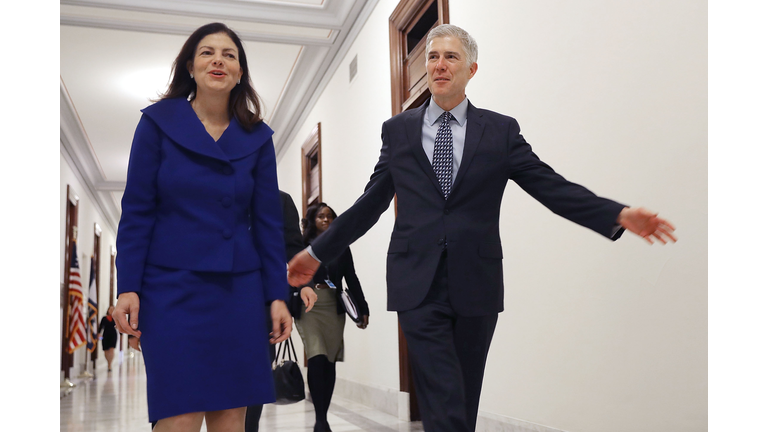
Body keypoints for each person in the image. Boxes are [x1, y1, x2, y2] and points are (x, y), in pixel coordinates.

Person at [287, 24, 677, 432]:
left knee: (464, 396)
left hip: (477, 280)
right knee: (442, 397)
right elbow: (370, 204)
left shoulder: (500, 130)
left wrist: (616, 213)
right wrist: (317, 253)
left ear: (472, 69)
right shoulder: (398, 130)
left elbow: (549, 185)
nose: (439, 65)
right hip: (415, 280)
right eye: (433, 56)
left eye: (451, 57)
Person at [112, 22, 292, 432]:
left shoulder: (257, 138)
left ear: (240, 72)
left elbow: (267, 225)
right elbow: (137, 211)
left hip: (239, 292)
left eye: (229, 55)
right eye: (207, 52)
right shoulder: (158, 124)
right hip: (170, 289)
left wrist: (277, 296)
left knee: (231, 416)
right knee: (179, 414)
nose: (218, 60)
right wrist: (128, 287)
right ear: (190, 67)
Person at [244, 191, 317, 432]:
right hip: (212, 298)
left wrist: (304, 284)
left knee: (254, 379)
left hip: (261, 303)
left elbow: (293, 248)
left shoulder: (280, 200)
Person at [295, 202, 370, 432]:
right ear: (312, 220)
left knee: (328, 361)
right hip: (309, 306)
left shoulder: (341, 246)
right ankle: (319, 420)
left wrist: (363, 308)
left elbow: (351, 278)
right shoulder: (302, 245)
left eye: (329, 216)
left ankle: (323, 414)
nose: (326, 220)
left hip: (333, 308)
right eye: (320, 216)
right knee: (316, 357)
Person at [98, 305, 118, 372]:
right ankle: (107, 362)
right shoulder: (104, 318)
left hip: (113, 335)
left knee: (111, 349)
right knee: (106, 350)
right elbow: (101, 327)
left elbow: (119, 326)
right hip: (105, 335)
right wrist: (98, 333)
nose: (111, 311)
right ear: (108, 310)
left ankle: (110, 364)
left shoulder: (116, 318)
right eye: (110, 309)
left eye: (113, 309)